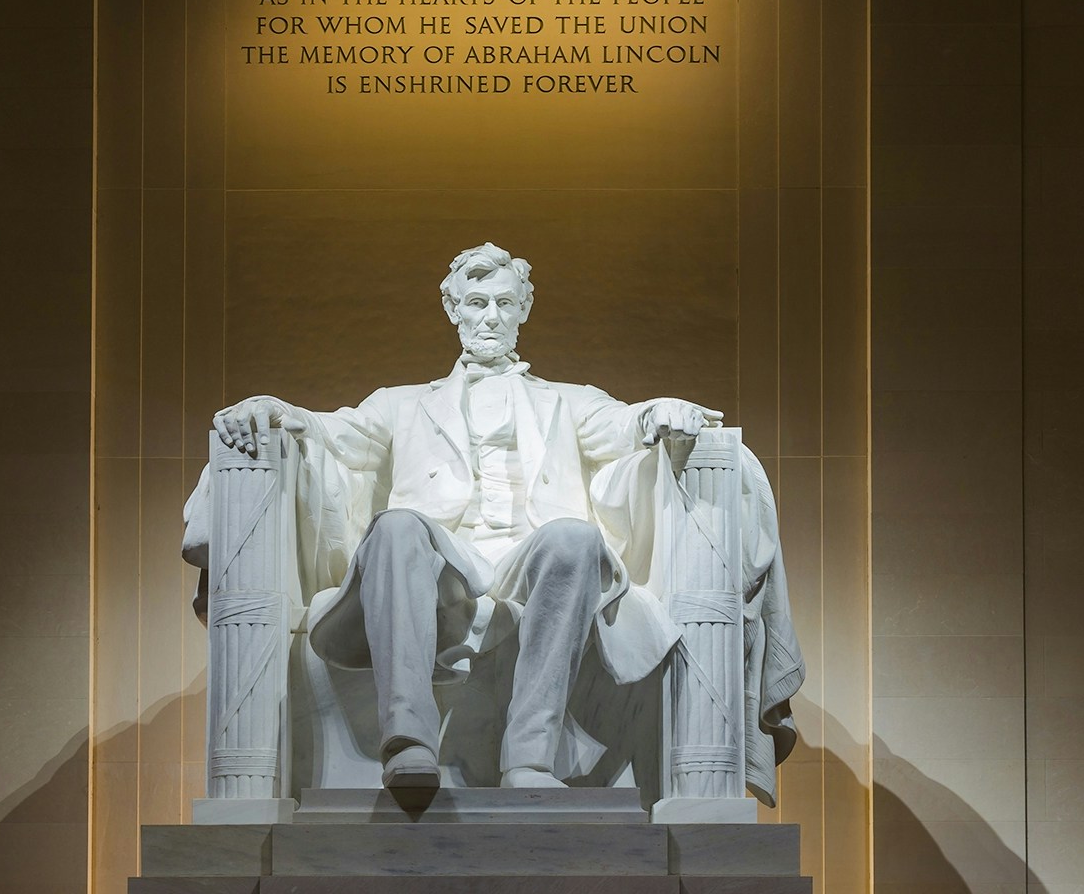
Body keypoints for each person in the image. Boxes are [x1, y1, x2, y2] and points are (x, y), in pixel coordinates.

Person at [187, 242, 801, 795]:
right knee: (397, 524)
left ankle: (529, 758)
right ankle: (408, 740)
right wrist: (275, 409)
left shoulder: (569, 400)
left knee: (575, 537)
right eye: (476, 302)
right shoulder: (401, 404)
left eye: (504, 303)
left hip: (531, 563)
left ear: (522, 310)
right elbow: (333, 430)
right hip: (440, 567)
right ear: (453, 310)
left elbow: (622, 424)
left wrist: (657, 412)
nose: (490, 316)